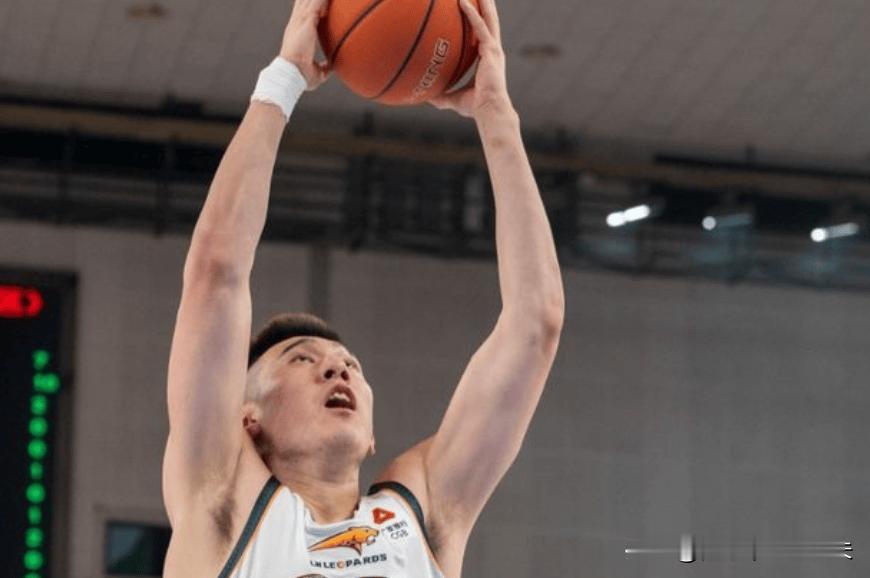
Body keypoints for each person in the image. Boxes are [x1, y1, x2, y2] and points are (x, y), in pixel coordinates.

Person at [160, 0, 564, 576]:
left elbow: (536, 323)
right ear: (248, 418)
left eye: (349, 364)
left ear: (372, 435)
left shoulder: (422, 514)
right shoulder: (220, 499)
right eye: (302, 360)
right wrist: (284, 78)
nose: (337, 369)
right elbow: (215, 273)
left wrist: (496, 114)